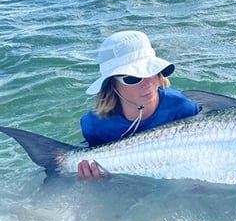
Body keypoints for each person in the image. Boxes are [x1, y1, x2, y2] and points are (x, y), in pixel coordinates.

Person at [78, 30, 201, 179]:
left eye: (151, 70)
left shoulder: (183, 107)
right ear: (112, 84)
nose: (147, 83)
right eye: (133, 78)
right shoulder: (95, 124)